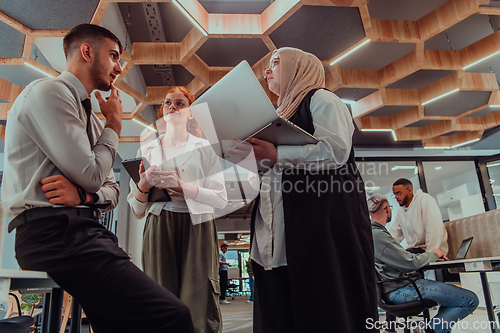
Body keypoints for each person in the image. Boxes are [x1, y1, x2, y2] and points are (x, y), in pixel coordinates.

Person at [2, 24, 193, 333]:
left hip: (83, 228)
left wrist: (84, 197)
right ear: (87, 52)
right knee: (174, 316)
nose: (119, 68)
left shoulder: (90, 117)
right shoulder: (51, 92)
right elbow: (93, 176)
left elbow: (112, 190)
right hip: (54, 233)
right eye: (114, 56)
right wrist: (115, 124)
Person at [228, 47, 378, 333]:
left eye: (275, 62)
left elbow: (336, 151)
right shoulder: (274, 116)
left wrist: (276, 155)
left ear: (299, 67)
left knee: (325, 312)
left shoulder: (321, 98)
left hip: (316, 233)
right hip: (274, 240)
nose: (267, 71)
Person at [127, 86, 227, 333]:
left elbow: (221, 197)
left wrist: (183, 187)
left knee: (199, 296)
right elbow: (137, 209)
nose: (172, 107)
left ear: (190, 113)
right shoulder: (146, 150)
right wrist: (143, 184)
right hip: (159, 223)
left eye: (180, 103)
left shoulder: (204, 147)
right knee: (160, 293)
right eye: (167, 103)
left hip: (198, 226)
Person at [368, 194, 479, 333]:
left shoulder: (372, 233)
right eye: (390, 206)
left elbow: (403, 259)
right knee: (470, 300)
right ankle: (429, 329)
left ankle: (432, 329)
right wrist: (433, 254)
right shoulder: (378, 235)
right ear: (387, 209)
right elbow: (410, 263)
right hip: (400, 290)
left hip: (394, 288)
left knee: (452, 299)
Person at [391, 178, 448, 255]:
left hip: (429, 250)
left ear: (410, 190)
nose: (396, 197)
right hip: (415, 252)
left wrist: (431, 255)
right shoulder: (400, 212)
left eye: (398, 193)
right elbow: (393, 236)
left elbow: (434, 229)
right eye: (394, 194)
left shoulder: (425, 200)